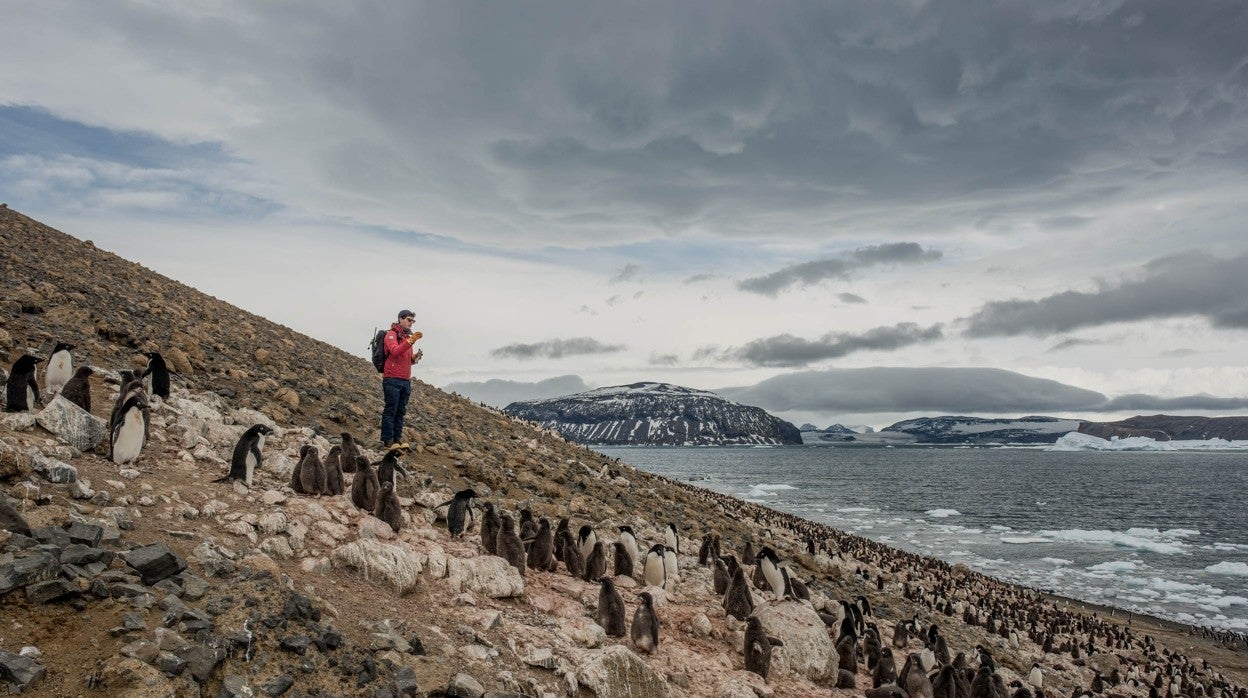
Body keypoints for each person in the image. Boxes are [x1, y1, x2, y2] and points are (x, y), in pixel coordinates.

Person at [380, 309, 423, 447]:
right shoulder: (391, 335)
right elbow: (395, 351)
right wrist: (410, 341)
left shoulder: (406, 338)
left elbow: (406, 359)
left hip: (405, 380)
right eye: (409, 320)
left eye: (413, 321)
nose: (411, 323)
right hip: (392, 379)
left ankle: (397, 440)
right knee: (391, 410)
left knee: (400, 411)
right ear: (400, 319)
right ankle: (388, 441)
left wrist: (414, 358)